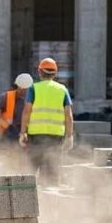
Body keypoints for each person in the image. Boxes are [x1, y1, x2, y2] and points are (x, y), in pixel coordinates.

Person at [20, 58, 74, 186]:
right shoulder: (62, 90)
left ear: (39, 72)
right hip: (56, 137)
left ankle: (29, 199)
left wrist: (23, 133)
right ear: (55, 74)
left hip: (36, 136)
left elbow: (27, 112)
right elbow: (69, 115)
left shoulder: (33, 89)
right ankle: (51, 200)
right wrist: (69, 136)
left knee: (32, 170)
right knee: (53, 171)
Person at [0, 73, 33, 142]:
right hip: (8, 135)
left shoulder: (32, 98)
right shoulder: (7, 97)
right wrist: (0, 121)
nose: (24, 91)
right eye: (22, 88)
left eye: (26, 89)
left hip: (27, 134)